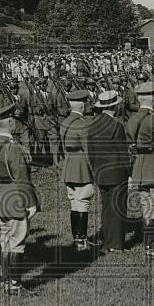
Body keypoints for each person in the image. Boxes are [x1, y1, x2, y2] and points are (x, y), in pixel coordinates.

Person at [0, 102, 39, 293]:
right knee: (17, 240)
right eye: (14, 121)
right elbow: (22, 179)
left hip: (0, 194)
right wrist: (31, 203)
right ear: (9, 122)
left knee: (5, 240)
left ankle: (7, 280)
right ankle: (15, 284)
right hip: (15, 196)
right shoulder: (14, 148)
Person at [125, 80, 154, 259]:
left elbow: (130, 146)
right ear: (152, 98)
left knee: (147, 208)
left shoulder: (133, 119)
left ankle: (148, 247)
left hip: (140, 166)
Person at [82, 90, 131, 253]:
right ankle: (116, 244)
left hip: (101, 173)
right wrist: (129, 173)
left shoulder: (93, 125)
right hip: (117, 173)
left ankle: (107, 241)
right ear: (114, 107)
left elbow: (91, 152)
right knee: (118, 208)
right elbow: (123, 153)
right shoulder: (117, 126)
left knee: (106, 208)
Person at [59, 89, 95, 251]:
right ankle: (81, 241)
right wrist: (95, 170)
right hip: (81, 167)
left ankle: (77, 239)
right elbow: (89, 151)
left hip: (69, 166)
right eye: (86, 102)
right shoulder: (82, 124)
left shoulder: (65, 122)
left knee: (74, 202)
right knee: (83, 203)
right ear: (81, 105)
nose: (87, 105)